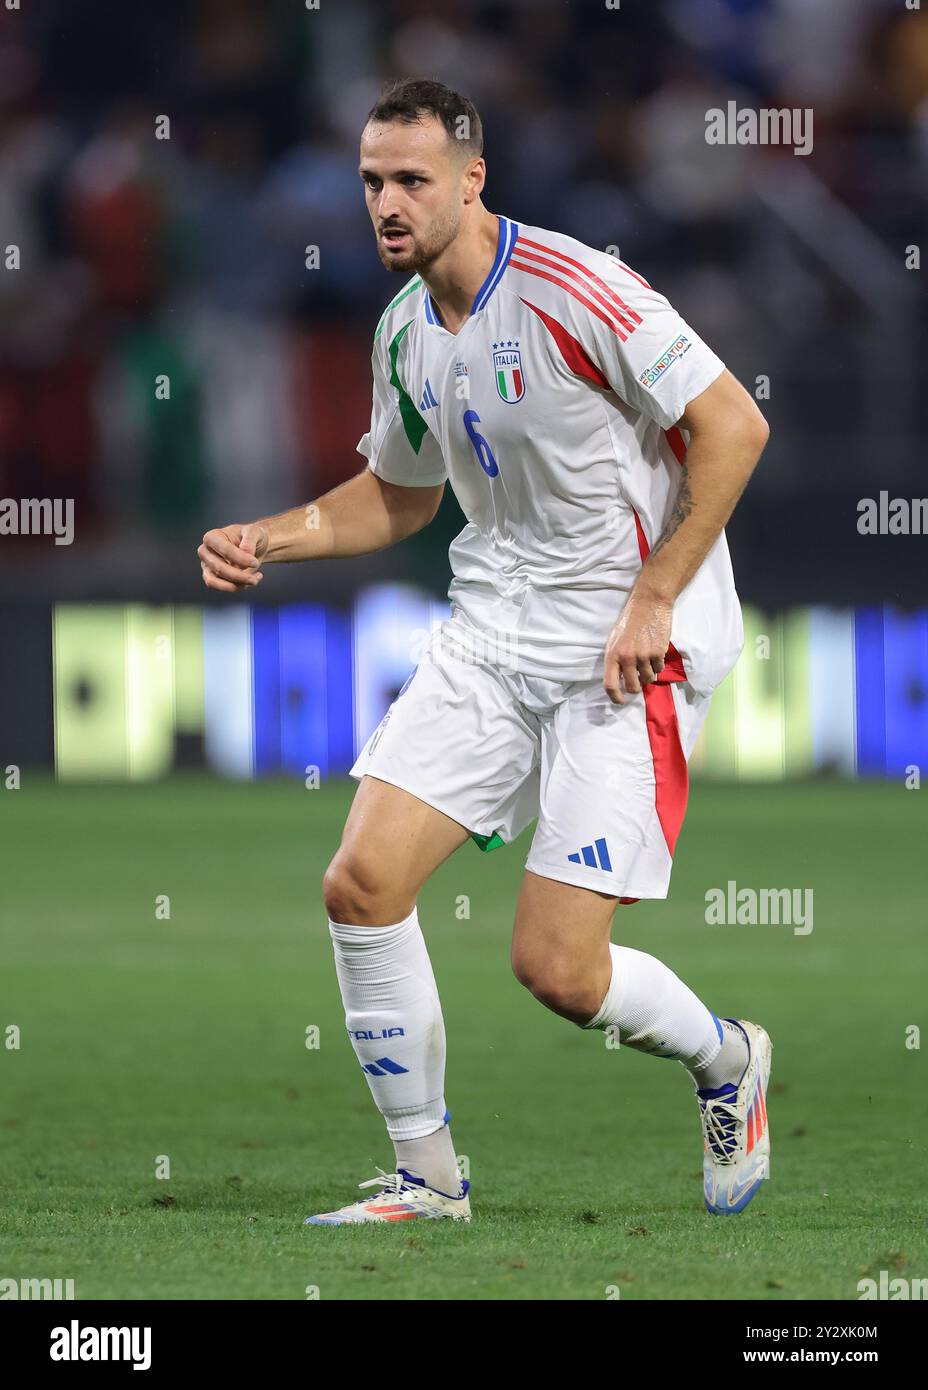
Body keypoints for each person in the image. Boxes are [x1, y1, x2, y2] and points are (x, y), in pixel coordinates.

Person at [198, 78, 772, 1225]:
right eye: (370, 182)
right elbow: (400, 498)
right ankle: (428, 1180)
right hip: (489, 637)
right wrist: (275, 533)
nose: (386, 204)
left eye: (411, 180)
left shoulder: (577, 286)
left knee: (557, 970)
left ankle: (727, 1059)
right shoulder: (405, 328)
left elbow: (733, 425)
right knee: (361, 885)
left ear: (473, 179)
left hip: (622, 647)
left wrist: (655, 592)